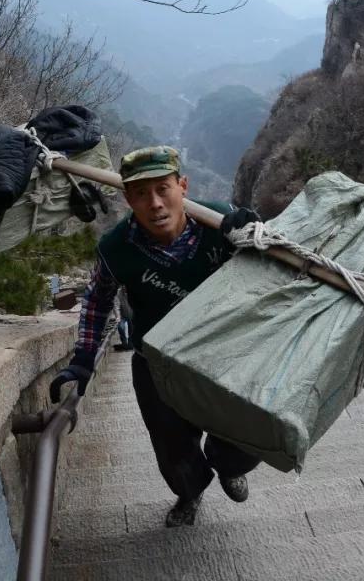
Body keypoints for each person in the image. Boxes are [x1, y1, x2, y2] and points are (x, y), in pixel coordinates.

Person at [49, 146, 262, 527]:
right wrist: (82, 361)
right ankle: (190, 492)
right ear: (128, 199)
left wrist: (255, 237)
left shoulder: (220, 223)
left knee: (248, 436)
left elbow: (271, 274)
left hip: (223, 354)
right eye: (142, 194)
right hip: (156, 362)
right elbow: (97, 303)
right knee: (172, 449)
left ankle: (229, 464)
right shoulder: (116, 248)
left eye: (163, 188)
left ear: (183, 186)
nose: (156, 203)